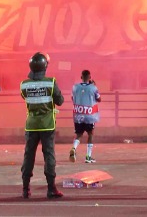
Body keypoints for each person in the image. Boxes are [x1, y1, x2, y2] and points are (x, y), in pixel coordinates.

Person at [20, 51, 64, 200]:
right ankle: (51, 188)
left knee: (28, 156)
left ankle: (25, 189)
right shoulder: (50, 82)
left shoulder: (24, 85)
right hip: (47, 125)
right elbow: (60, 100)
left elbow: (25, 97)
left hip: (31, 125)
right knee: (49, 156)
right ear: (45, 66)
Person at [71, 69, 101, 163]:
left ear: (81, 77)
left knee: (79, 134)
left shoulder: (75, 87)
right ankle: (88, 157)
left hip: (78, 115)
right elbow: (99, 99)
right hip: (89, 115)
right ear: (90, 77)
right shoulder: (93, 88)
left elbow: (72, 98)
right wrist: (94, 86)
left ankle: (74, 148)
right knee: (90, 134)